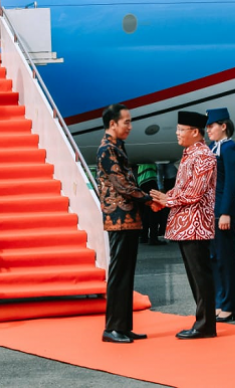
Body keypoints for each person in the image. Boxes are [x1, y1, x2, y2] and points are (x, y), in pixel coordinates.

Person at [150, 111, 217, 340]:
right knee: (194, 276)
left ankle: (206, 325)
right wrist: (163, 199)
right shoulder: (189, 154)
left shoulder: (204, 157)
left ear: (195, 132)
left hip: (196, 225)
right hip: (185, 224)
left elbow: (194, 193)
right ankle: (202, 322)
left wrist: (166, 200)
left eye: (181, 130)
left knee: (201, 276)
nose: (177, 134)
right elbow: (180, 188)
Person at [96, 104, 153, 344]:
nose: (130, 126)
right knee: (119, 274)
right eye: (126, 122)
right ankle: (112, 328)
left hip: (128, 219)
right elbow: (122, 184)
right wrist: (148, 198)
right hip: (118, 219)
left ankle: (124, 326)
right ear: (112, 124)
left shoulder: (117, 147)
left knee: (127, 274)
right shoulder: (107, 149)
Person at [205, 107, 235, 322]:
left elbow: (231, 183)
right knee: (214, 258)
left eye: (212, 126)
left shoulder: (229, 148)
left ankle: (229, 305)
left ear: (223, 126)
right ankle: (219, 302)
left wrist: (226, 212)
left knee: (225, 260)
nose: (209, 130)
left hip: (222, 212)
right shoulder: (213, 147)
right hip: (210, 212)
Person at [136, 163, 166, 245]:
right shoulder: (149, 155)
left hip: (142, 181)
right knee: (154, 210)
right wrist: (160, 186)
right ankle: (153, 238)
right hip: (150, 179)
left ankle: (144, 236)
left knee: (146, 211)